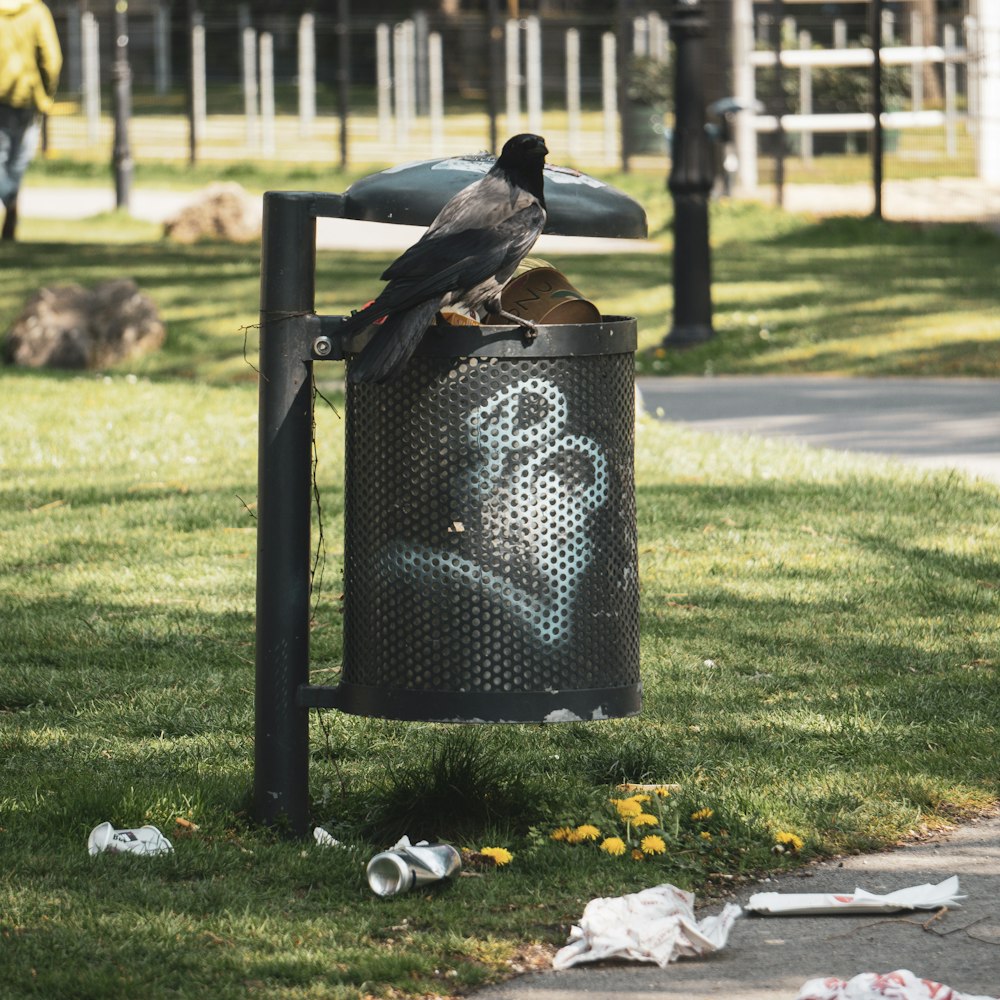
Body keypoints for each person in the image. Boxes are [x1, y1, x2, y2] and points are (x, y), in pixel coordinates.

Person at [0, 0, 62, 241]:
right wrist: (46, 93)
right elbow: (51, 59)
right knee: (17, 161)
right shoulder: (36, 12)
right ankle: (11, 204)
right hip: (25, 96)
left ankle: (10, 205)